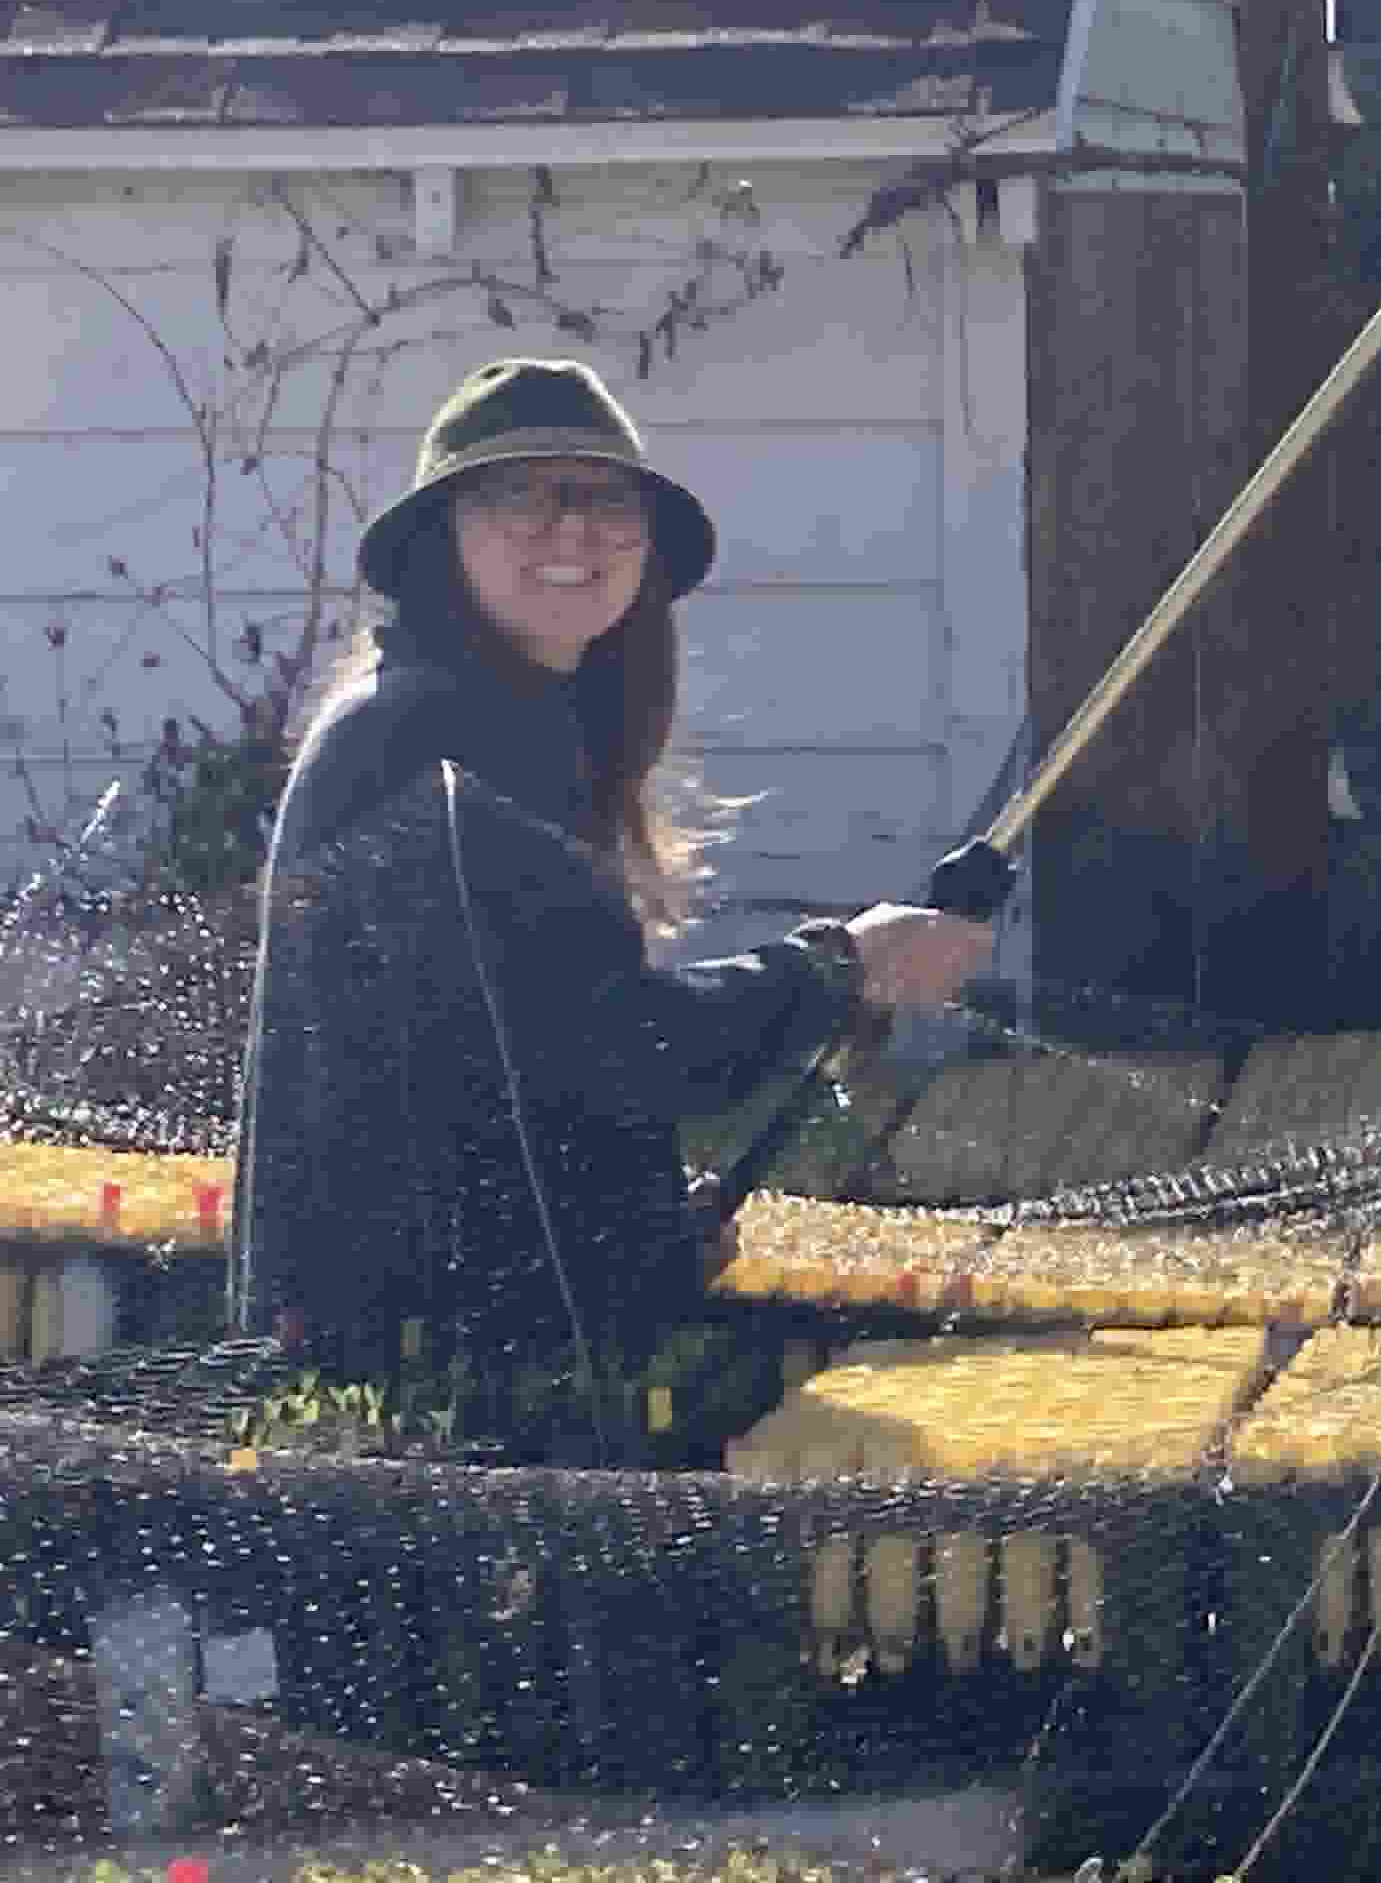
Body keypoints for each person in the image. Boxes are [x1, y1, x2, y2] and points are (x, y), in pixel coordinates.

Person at [229, 358, 991, 1405]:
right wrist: (844, 963)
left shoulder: (507, 718)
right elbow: (620, 1044)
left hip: (457, 1342)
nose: (572, 529)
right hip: (409, 1384)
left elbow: (519, 1075)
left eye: (604, 499)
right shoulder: (430, 736)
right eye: (520, 495)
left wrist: (634, 1236)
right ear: (441, 534)